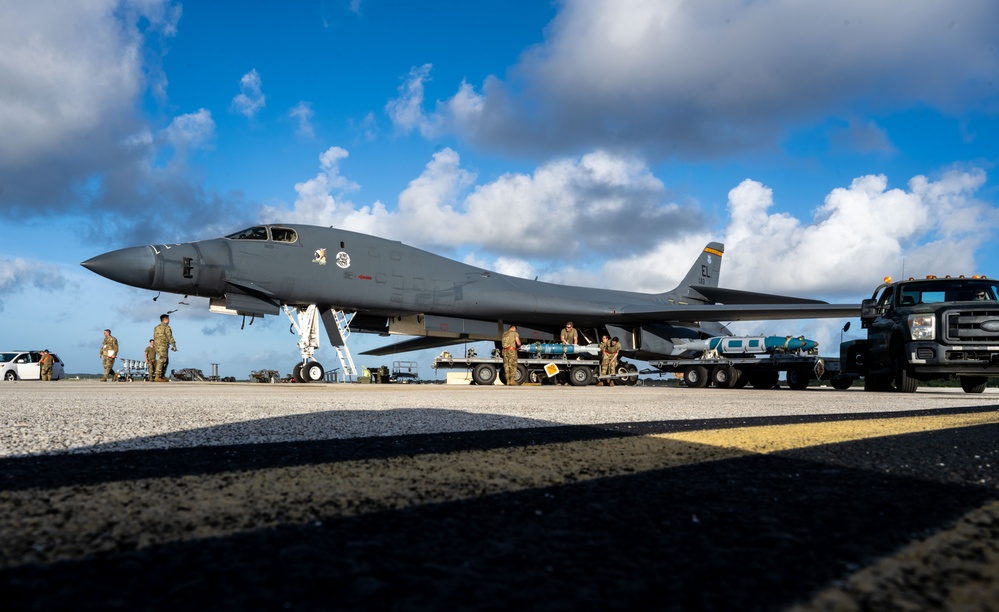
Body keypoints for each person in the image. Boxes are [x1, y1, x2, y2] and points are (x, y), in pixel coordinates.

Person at [153, 314, 178, 382]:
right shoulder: (166, 327)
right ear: (165, 320)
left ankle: (162, 376)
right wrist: (174, 345)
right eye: (168, 319)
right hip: (163, 346)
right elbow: (169, 337)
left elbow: (154, 337)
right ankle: (158, 376)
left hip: (157, 346)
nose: (169, 320)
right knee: (162, 360)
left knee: (164, 360)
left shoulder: (156, 327)